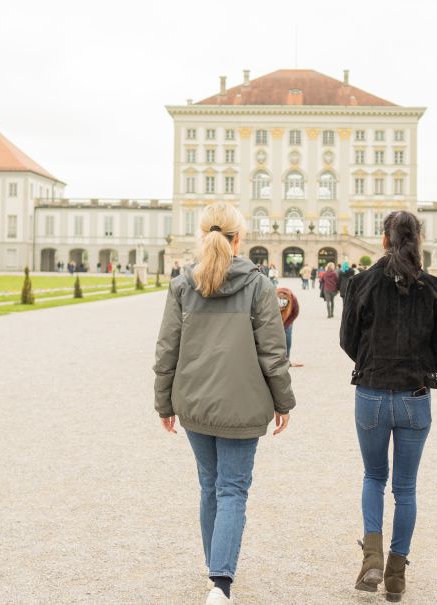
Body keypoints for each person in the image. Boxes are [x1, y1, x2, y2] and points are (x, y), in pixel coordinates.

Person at [153, 202, 295, 605]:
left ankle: (215, 573)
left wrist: (164, 404)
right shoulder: (258, 285)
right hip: (242, 404)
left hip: (194, 402)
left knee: (210, 487)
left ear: (202, 236)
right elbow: (273, 352)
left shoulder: (182, 285)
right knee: (232, 490)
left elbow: (167, 349)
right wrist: (284, 401)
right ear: (239, 239)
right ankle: (220, 582)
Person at [340, 210, 437, 603]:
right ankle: (396, 573)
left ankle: (371, 553)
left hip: (371, 392)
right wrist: (420, 369)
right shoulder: (434, 287)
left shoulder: (362, 283)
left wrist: (372, 363)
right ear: (417, 240)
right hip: (415, 396)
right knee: (405, 489)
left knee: (374, 477)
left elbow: (347, 340)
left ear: (383, 239)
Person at [276, 287, 303, 367]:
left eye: (283, 306)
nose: (282, 308)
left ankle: (286, 360)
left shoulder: (293, 299)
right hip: (274, 320)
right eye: (280, 307)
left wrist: (286, 324)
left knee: (287, 339)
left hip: (288, 319)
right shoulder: (271, 298)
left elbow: (295, 313)